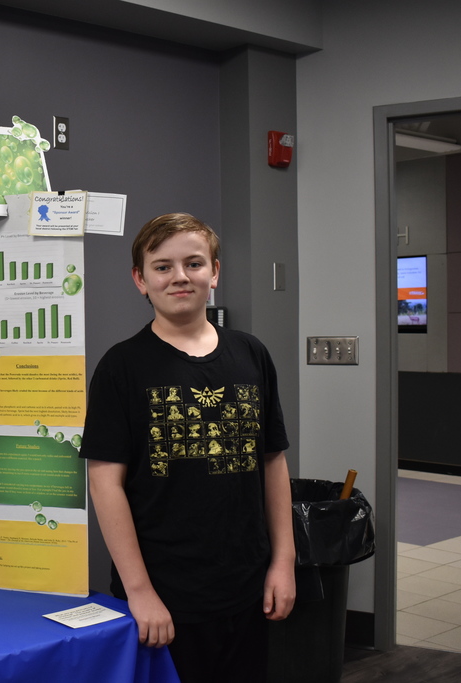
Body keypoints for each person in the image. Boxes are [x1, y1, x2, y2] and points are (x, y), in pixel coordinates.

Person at [80, 213, 295, 683]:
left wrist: (284, 561)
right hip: (164, 595)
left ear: (214, 273)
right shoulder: (121, 367)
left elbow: (273, 460)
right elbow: (104, 483)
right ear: (141, 280)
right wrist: (140, 591)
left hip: (247, 586)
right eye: (162, 267)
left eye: (194, 263)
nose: (180, 276)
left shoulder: (252, 354)